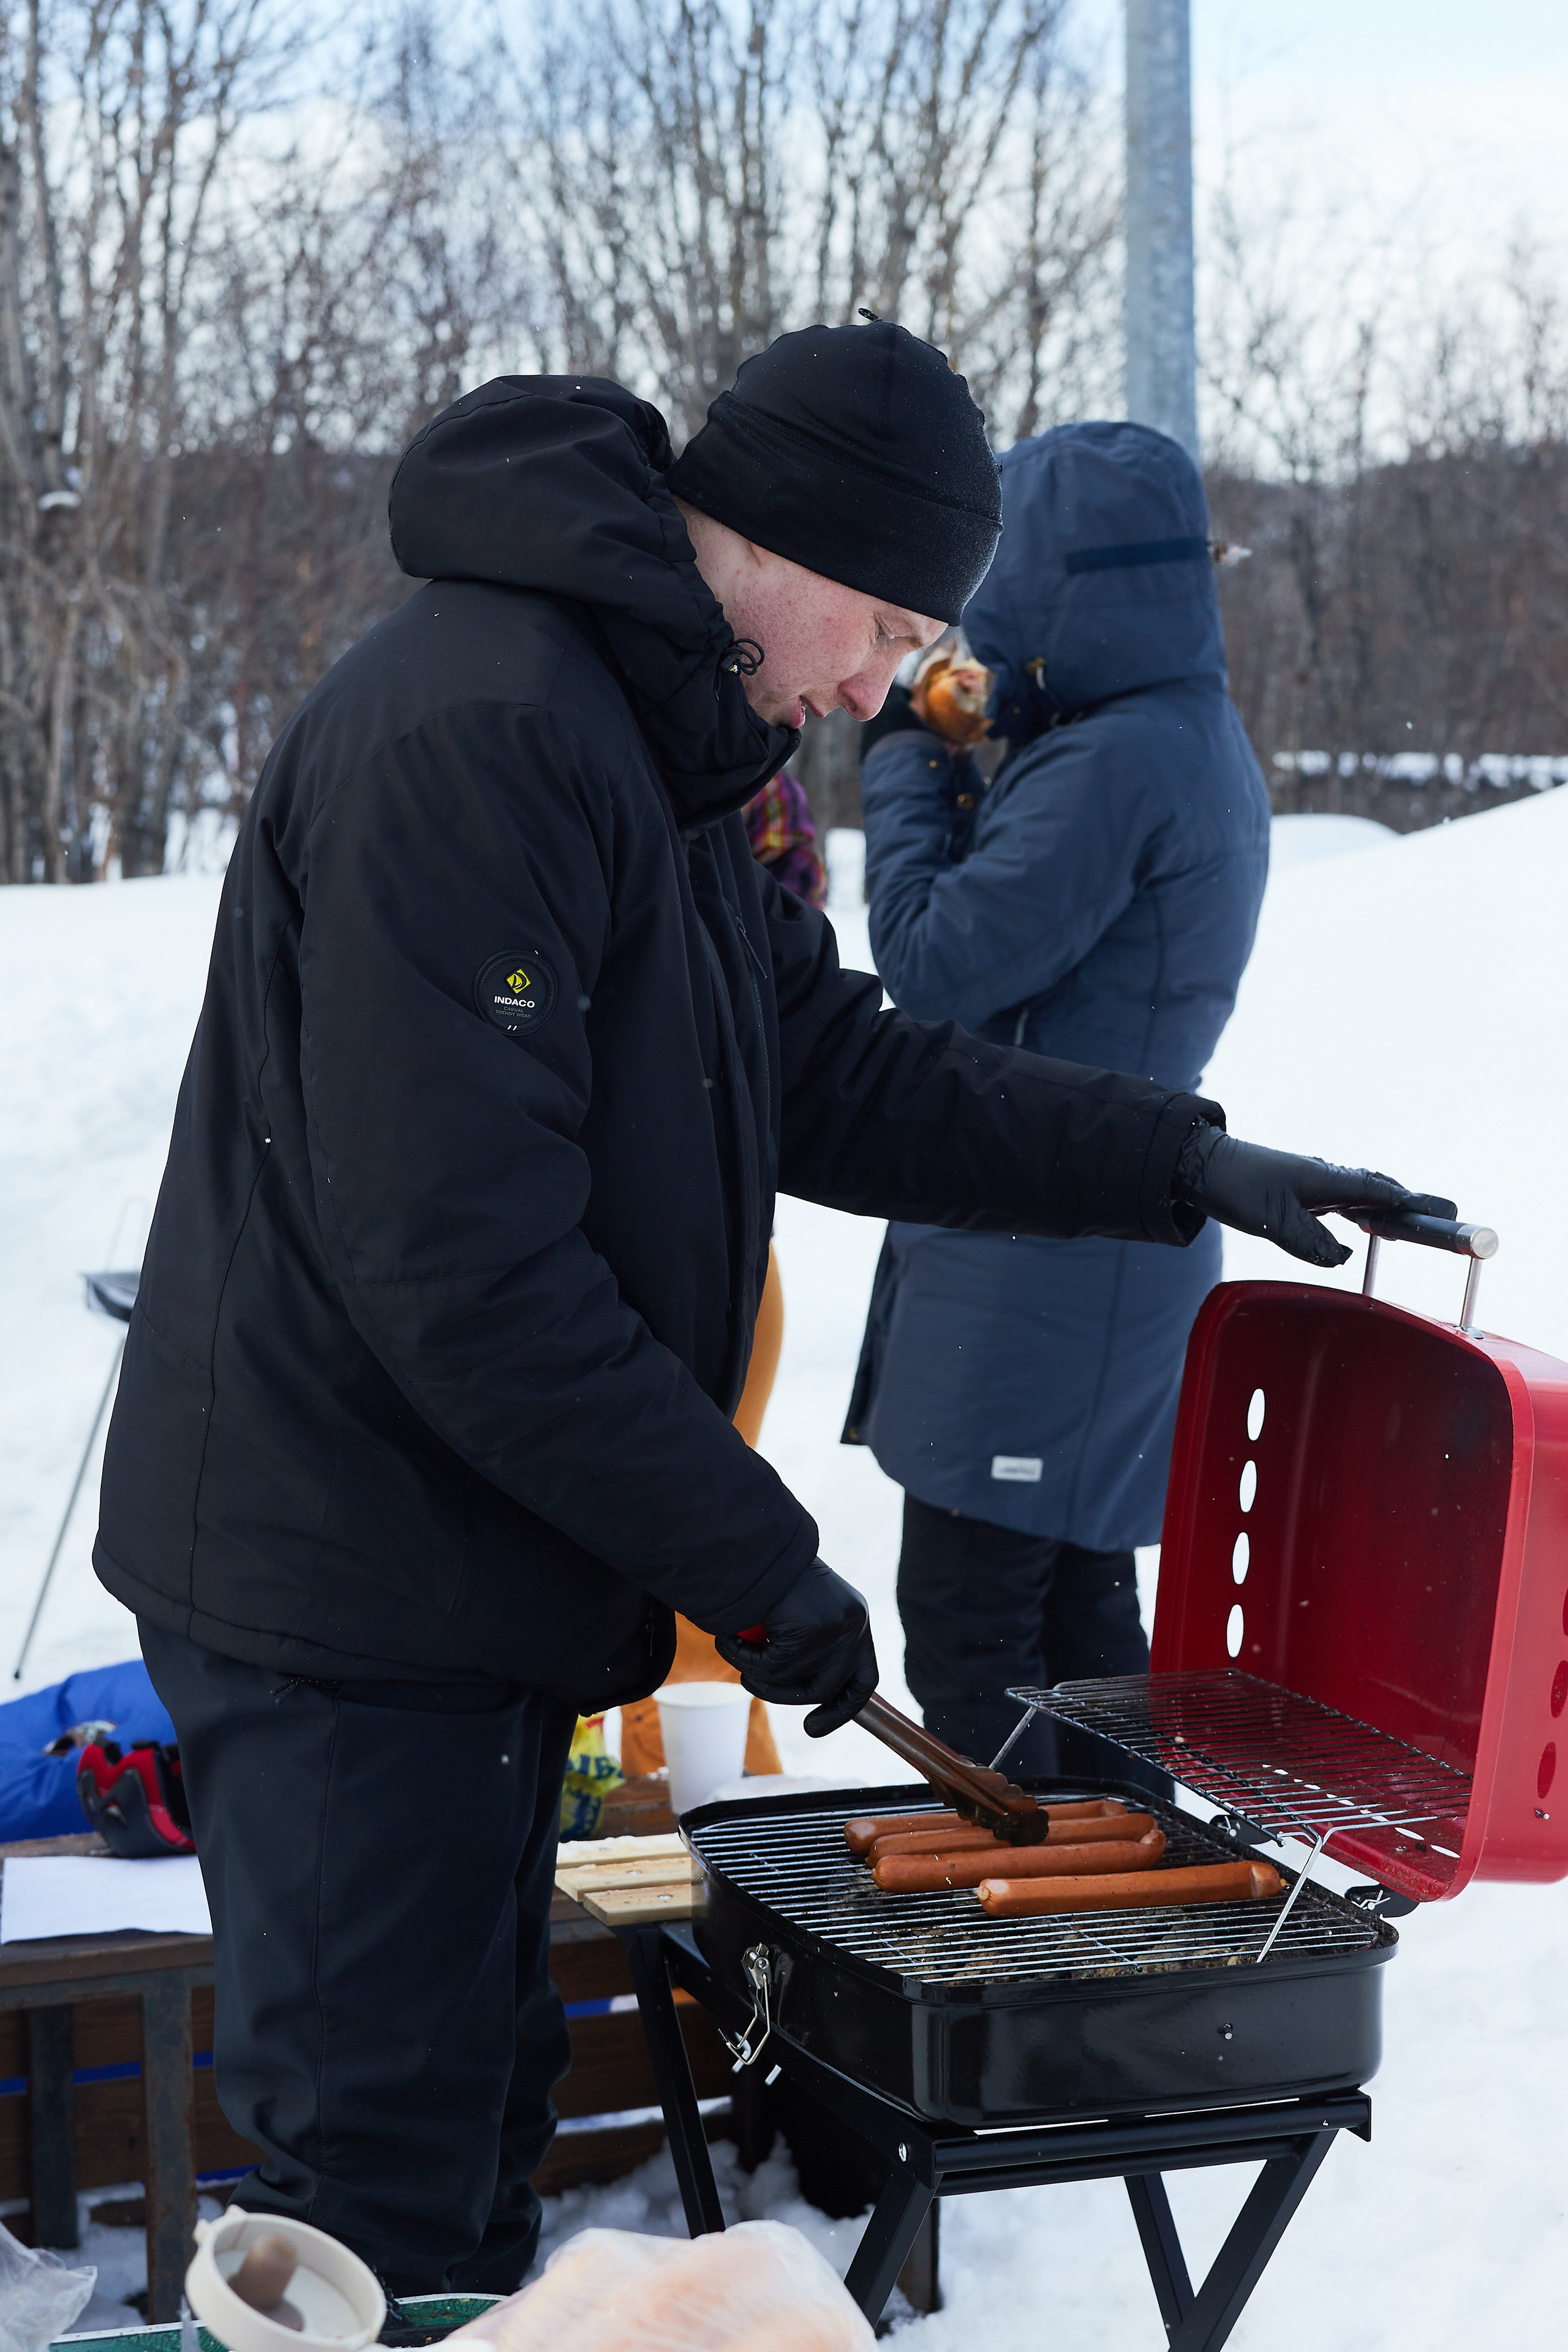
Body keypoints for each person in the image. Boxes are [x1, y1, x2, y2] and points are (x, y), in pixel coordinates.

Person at [92, 324, 1449, 2296]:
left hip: (463, 1583)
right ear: (776, 541)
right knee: (366, 2206)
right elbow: (464, 1273)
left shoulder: (655, 739)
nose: (894, 679)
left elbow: (833, 1066)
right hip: (341, 1588)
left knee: (470, 2155)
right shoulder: (480, 734)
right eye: (890, 615)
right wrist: (756, 1561)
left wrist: (1185, 1163)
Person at [844, 420, 1274, 1778]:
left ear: (1057, 578)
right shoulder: (1158, 731)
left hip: (1045, 1252)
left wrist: (907, 760)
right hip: (1078, 1230)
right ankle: (1124, 1912)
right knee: (1075, 1634)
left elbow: (935, 965)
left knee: (978, 1640)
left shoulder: (1116, 763)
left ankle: (1048, 1944)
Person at [620, 774, 824, 1780]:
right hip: (619, 1256)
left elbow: (804, 1011)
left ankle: (695, 1823)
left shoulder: (731, 777)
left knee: (691, 1589)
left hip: (702, 1248)